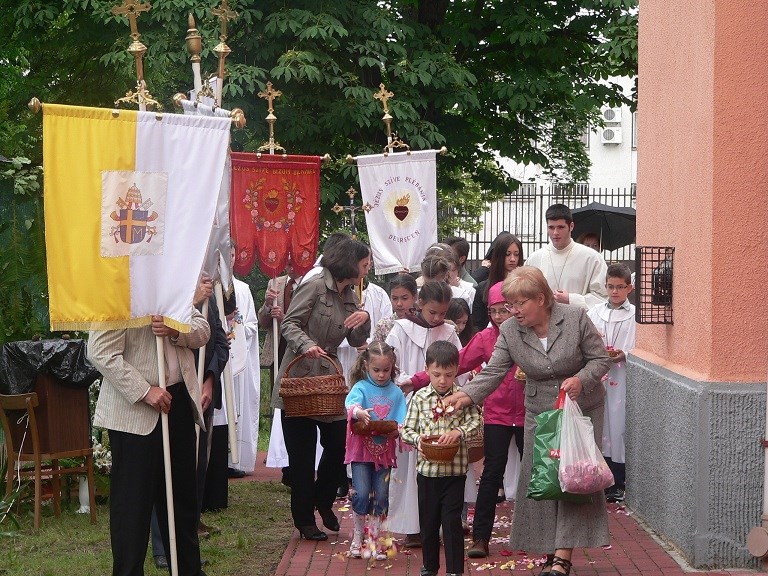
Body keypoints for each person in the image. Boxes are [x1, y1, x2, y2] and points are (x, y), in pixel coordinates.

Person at [443, 266, 612, 576]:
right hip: (539, 411)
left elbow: (600, 359)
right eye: (510, 304)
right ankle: (551, 550)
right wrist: (464, 396)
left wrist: (581, 379)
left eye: (520, 303)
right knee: (545, 480)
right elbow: (494, 371)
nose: (514, 311)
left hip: (580, 410)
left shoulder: (575, 317)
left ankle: (561, 556)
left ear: (541, 299)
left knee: (574, 477)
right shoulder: (510, 330)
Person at [405, 282, 525, 559]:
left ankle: (536, 536)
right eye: (493, 311)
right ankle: (481, 537)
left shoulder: (529, 333)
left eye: (505, 310)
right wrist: (416, 381)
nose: (499, 316)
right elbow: (455, 363)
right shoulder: (485, 338)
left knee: (533, 473)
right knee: (491, 474)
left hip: (528, 412)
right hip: (497, 414)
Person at [88, 310, 210, 576]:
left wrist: (176, 330)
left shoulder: (173, 288)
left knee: (182, 502)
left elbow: (203, 330)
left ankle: (188, 571)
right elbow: (100, 352)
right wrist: (144, 391)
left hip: (178, 401)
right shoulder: (118, 294)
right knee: (133, 506)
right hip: (135, 412)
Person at [269, 238, 372, 541]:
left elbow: (355, 340)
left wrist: (364, 320)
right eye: (364, 264)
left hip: (329, 382)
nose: (367, 269)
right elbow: (289, 324)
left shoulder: (351, 294)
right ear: (349, 263)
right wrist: (306, 345)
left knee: (339, 444)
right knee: (301, 458)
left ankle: (323, 500)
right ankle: (304, 520)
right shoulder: (314, 285)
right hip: (299, 379)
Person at [151, 274, 229, 568]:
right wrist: (192, 301)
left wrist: (209, 380)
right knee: (160, 473)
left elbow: (218, 341)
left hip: (196, 394)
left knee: (190, 473)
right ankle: (162, 547)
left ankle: (187, 545)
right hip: (163, 389)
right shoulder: (167, 286)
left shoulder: (209, 296)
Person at [384, 280, 460, 548]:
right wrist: (409, 381)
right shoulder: (401, 329)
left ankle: (441, 523)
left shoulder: (449, 332)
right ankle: (412, 526)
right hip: (410, 404)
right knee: (410, 467)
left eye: (443, 313)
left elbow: (459, 366)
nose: (438, 318)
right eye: (432, 312)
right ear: (420, 304)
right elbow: (390, 366)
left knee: (442, 463)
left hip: (443, 405)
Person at [400, 341, 482, 576]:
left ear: (456, 371)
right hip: (427, 473)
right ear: (427, 370)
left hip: (455, 472)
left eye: (448, 374)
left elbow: (476, 421)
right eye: (436, 374)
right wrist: (419, 440)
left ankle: (455, 570)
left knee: (452, 523)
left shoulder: (462, 397)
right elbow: (407, 430)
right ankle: (430, 567)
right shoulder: (420, 398)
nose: (443, 380)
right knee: (428, 523)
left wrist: (459, 432)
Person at [344, 341, 407, 559]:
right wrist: (359, 413)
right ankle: (358, 536)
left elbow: (402, 420)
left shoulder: (396, 392)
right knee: (361, 494)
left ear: (392, 367)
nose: (381, 375)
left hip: (384, 453)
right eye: (376, 370)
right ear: (366, 366)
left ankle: (374, 539)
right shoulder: (361, 387)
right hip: (361, 452)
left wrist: (397, 431)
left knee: (381, 497)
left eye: (386, 370)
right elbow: (351, 405)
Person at [587, 263, 636, 503]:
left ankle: (618, 480)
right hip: (599, 375)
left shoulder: (635, 315)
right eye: (610, 286)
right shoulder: (595, 312)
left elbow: (640, 344)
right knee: (601, 425)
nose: (615, 291)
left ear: (630, 288)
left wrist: (624, 353)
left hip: (622, 376)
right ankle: (601, 477)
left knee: (618, 426)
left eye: (620, 287)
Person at [261, 262, 304, 487]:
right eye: (286, 263)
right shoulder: (275, 283)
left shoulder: (310, 283)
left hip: (300, 355)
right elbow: (263, 322)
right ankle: (284, 462)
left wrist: (285, 316)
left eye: (293, 262)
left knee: (296, 410)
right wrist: (268, 306)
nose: (289, 267)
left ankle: (298, 465)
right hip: (277, 354)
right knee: (280, 408)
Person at [525, 204, 608, 309]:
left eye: (561, 227)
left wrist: (571, 299)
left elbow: (602, 297)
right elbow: (524, 294)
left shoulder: (592, 258)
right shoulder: (534, 259)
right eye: (551, 227)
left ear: (571, 226)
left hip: (578, 318)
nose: (555, 233)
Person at [472, 233, 524, 330]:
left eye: (516, 254)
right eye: (507, 254)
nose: (512, 259)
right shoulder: (483, 288)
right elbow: (477, 325)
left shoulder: (525, 286)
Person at [372, 273, 418, 342]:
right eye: (394, 298)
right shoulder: (383, 326)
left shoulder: (423, 323)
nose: (399, 304)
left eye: (404, 298)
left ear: (415, 297)